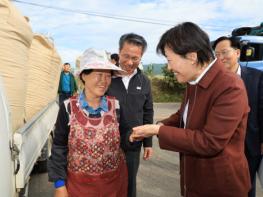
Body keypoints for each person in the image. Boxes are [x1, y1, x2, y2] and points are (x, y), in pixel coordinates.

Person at [130, 22, 251, 197]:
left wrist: (159, 130)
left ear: (192, 56)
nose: (169, 67)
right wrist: (156, 126)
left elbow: (210, 142)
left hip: (220, 185)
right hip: (194, 178)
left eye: (170, 60)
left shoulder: (230, 86)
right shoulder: (193, 81)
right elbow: (183, 116)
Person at [48, 48, 128, 197]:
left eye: (108, 75)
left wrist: (134, 136)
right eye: (99, 74)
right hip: (79, 188)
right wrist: (59, 185)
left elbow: (126, 138)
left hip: (113, 186)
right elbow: (59, 147)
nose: (104, 81)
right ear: (84, 75)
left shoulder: (116, 106)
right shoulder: (68, 108)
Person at [213, 36, 263, 197]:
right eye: (216, 54)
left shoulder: (257, 77)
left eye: (224, 52)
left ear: (237, 53)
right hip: (222, 147)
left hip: (251, 144)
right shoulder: (213, 82)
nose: (220, 58)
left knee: (247, 187)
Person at [107, 33, 154, 197]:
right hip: (106, 142)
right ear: (119, 52)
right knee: (106, 183)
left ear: (141, 57)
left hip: (134, 142)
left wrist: (148, 143)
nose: (129, 62)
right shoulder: (106, 78)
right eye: (126, 56)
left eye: (135, 58)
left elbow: (148, 112)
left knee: (128, 183)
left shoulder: (144, 81)